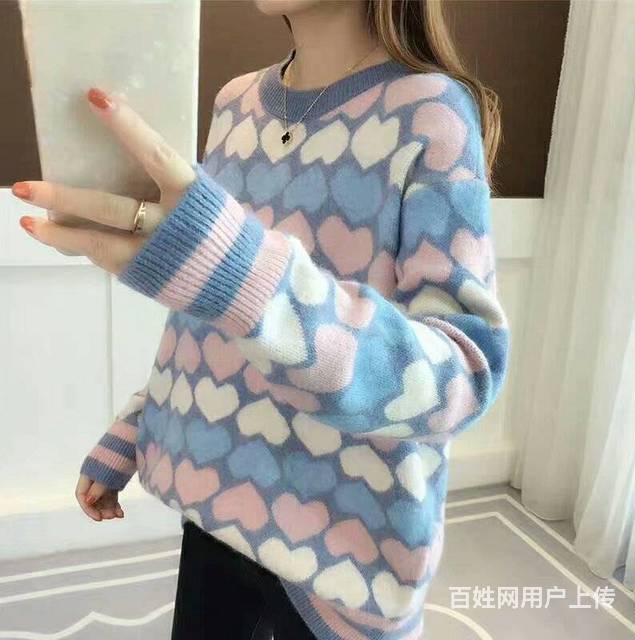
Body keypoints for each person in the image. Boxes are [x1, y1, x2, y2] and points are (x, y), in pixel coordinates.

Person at [12, 0, 510, 638]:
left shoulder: (432, 112)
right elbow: (211, 315)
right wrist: (139, 426)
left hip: (343, 549)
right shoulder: (235, 104)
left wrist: (243, 272)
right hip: (217, 508)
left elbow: (464, 373)